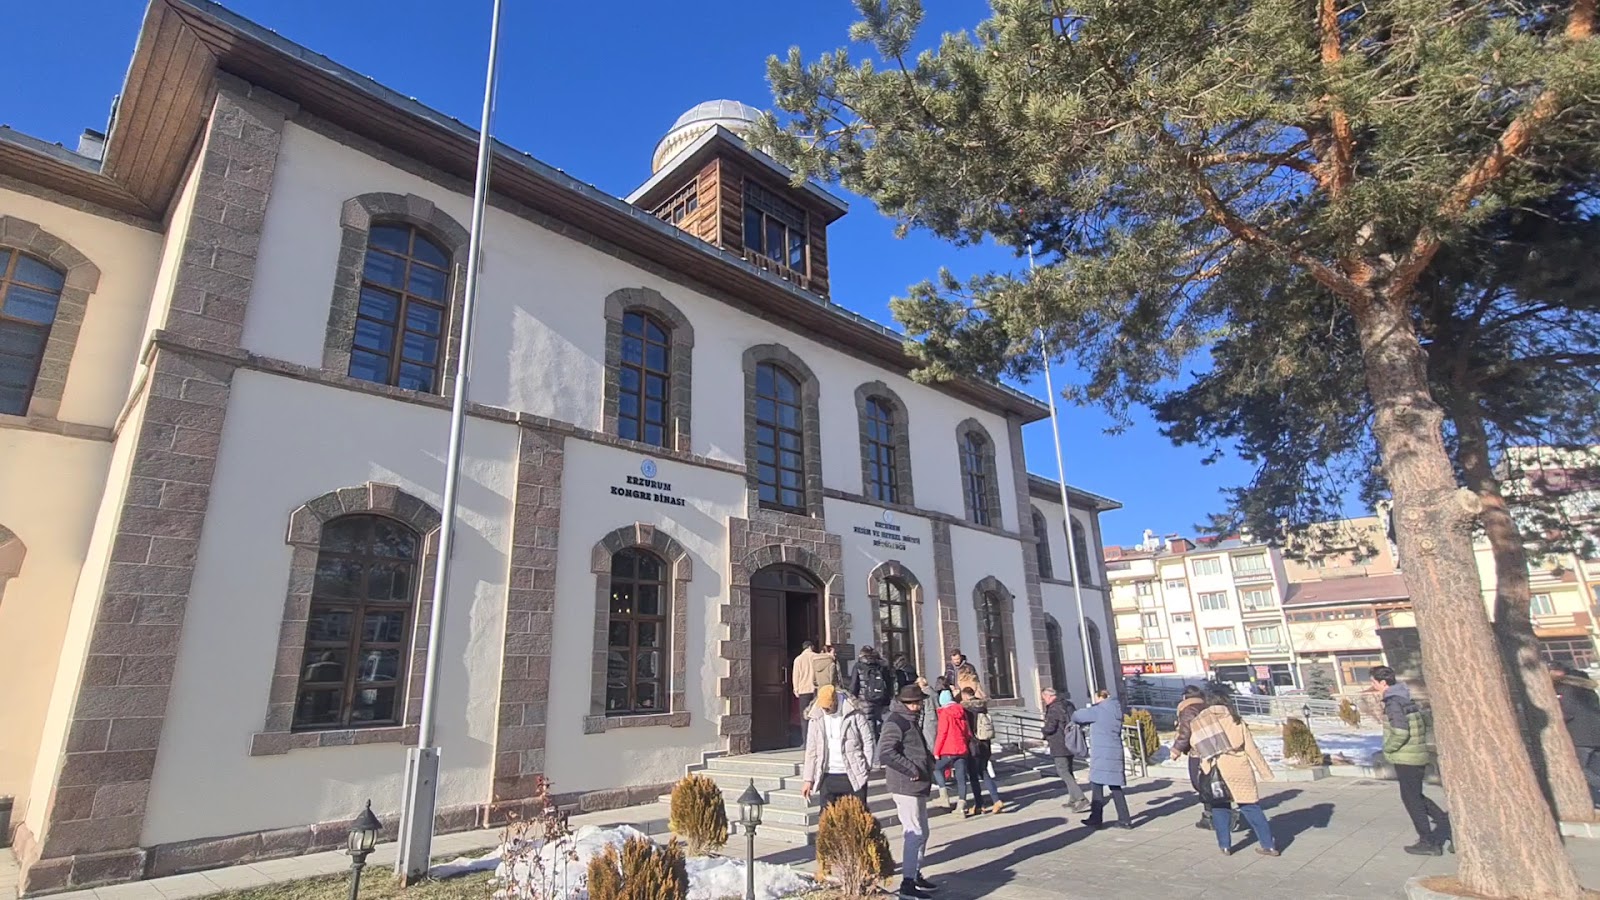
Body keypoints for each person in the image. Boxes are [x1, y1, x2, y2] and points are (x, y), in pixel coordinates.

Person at [1371, 665, 1451, 855]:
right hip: (1416, 754)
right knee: (1415, 796)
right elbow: (1425, 722)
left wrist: (1388, 748)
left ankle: (1429, 841)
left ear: (1383, 683)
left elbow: (1400, 731)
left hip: (1407, 757)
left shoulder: (1393, 703)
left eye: (1373, 681)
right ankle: (1446, 826)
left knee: (1412, 800)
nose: (1372, 685)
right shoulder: (1405, 697)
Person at [1189, 690, 1278, 856]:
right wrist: (1265, 772)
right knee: (1251, 807)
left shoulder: (1201, 721)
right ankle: (1268, 845)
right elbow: (1251, 748)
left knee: (1220, 806)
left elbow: (1196, 745)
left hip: (1217, 768)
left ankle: (1225, 845)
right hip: (1240, 767)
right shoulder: (1236, 720)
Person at [877, 683, 938, 900]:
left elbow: (915, 747)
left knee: (923, 831)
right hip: (905, 785)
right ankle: (907, 883)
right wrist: (911, 769)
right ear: (907, 703)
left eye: (920, 702)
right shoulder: (896, 722)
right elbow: (885, 752)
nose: (920, 706)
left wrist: (928, 762)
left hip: (918, 783)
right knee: (914, 832)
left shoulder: (910, 720)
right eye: (917, 703)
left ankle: (915, 872)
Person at [800, 684, 872, 814]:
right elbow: (811, 750)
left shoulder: (854, 712)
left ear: (835, 700)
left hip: (853, 774)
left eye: (828, 707)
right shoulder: (815, 717)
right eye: (823, 707)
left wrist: (866, 766)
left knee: (857, 819)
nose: (825, 710)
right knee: (827, 820)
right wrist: (808, 780)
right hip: (827, 775)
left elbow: (867, 739)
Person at [1071, 689, 1132, 829]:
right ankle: (1125, 819)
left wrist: (1092, 706)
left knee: (1097, 785)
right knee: (1115, 787)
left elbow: (1077, 716)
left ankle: (1096, 818)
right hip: (1115, 750)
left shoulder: (1099, 710)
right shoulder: (1116, 709)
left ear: (1099, 697)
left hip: (1102, 752)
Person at [1041, 688, 1090, 812]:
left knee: (1063, 771)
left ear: (1049, 696)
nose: (1044, 700)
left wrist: (1044, 731)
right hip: (1071, 741)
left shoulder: (1054, 708)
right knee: (1069, 770)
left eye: (1044, 698)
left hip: (1059, 743)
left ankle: (1081, 799)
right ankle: (1073, 799)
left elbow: (1051, 726)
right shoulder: (1068, 704)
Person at [1553, 664, 1600, 795]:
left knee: (1579, 769)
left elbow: (1568, 711)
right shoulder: (1588, 690)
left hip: (1581, 736)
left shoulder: (1564, 690)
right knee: (1595, 767)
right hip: (1596, 734)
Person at [960, 686, 1004, 813]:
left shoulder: (967, 709)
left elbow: (967, 729)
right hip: (985, 744)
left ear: (965, 695)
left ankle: (979, 804)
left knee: (973, 775)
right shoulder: (982, 707)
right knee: (984, 771)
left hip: (973, 745)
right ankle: (996, 800)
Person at [932, 683, 972, 816]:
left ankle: (944, 796)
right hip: (961, 748)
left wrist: (936, 751)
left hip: (948, 748)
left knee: (937, 768)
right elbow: (967, 731)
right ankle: (961, 805)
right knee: (961, 777)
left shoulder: (945, 713)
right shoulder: (961, 711)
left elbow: (942, 733)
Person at [849, 646, 894, 759]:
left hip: (865, 703)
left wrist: (853, 699)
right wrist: (888, 698)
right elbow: (890, 684)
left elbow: (854, 685)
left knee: (869, 731)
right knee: (883, 730)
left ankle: (874, 759)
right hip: (881, 702)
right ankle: (883, 754)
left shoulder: (858, 666)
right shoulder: (881, 666)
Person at [792, 640, 820, 722]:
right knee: (817, 715)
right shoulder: (817, 657)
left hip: (803, 690)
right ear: (811, 647)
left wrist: (796, 689)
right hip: (816, 689)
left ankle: (805, 734)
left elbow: (796, 676)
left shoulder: (798, 659)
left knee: (804, 716)